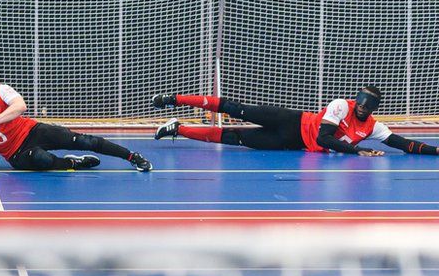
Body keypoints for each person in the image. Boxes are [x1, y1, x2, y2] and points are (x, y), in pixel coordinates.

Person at [0, 62, 152, 171]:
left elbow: (20, 106)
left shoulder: (2, 91)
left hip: (33, 131)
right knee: (42, 160)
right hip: (16, 154)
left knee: (84, 140)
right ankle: (73, 163)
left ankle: (132, 157)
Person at [151, 86, 439, 156]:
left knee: (234, 138)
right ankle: (174, 99)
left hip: (289, 143)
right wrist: (358, 150)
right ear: (356, 101)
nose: (362, 111)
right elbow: (324, 138)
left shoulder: (372, 126)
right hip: (291, 121)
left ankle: (179, 128)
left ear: (373, 108)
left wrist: (433, 151)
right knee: (236, 108)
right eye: (360, 105)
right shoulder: (341, 106)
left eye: (368, 108)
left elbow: (403, 144)